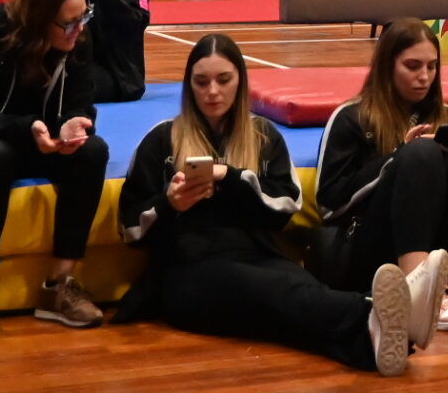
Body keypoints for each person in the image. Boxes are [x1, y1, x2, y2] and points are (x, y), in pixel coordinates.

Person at [114, 32, 424, 375]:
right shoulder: (162, 139)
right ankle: (377, 309)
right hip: (186, 272)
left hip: (259, 258)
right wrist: (169, 203)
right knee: (280, 292)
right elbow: (129, 228)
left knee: (297, 300)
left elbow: (285, 209)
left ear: (240, 82)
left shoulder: (263, 136)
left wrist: (230, 177)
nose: (212, 91)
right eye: (201, 82)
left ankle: (371, 347)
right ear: (189, 86)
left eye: (223, 80)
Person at [315, 20, 448, 333]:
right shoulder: (351, 117)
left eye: (431, 66)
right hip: (378, 260)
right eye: (412, 66)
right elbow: (329, 205)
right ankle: (418, 290)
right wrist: (397, 159)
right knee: (419, 154)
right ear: (388, 65)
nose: (424, 76)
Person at [0, 0, 112, 334]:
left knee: (93, 151)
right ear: (38, 19)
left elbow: (82, 103)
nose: (78, 29)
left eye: (83, 17)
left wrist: (75, 124)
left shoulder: (78, 38)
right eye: (68, 23)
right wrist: (26, 127)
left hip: (43, 141)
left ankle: (60, 285)